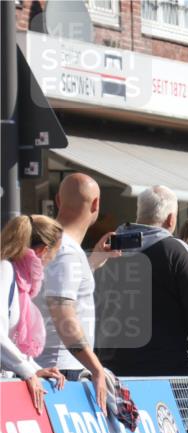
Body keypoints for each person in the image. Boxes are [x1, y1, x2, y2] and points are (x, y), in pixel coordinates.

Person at [95, 186, 188, 387]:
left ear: (139, 213)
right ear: (171, 219)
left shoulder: (108, 249)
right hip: (164, 371)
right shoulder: (175, 251)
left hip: (112, 369)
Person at [37, 173, 113, 413]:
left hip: (50, 369)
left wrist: (91, 263)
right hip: (61, 372)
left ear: (58, 200)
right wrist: (96, 367)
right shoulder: (67, 251)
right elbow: (62, 312)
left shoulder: (52, 245)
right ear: (95, 204)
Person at [1, 215, 66, 412]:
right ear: (42, 251)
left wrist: (34, 368)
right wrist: (28, 371)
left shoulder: (15, 277)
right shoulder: (5, 270)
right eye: (53, 256)